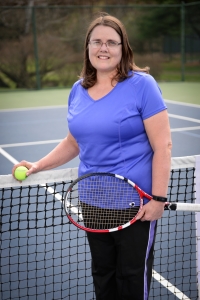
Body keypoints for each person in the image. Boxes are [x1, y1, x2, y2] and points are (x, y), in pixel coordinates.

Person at [12, 13, 172, 300]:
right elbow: (73, 142)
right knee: (103, 275)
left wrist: (158, 199)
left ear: (123, 48)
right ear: (87, 48)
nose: (104, 48)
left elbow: (164, 146)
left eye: (112, 42)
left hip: (136, 205)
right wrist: (37, 165)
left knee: (132, 278)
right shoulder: (78, 90)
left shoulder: (142, 85)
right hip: (93, 202)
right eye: (97, 42)